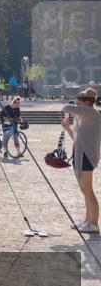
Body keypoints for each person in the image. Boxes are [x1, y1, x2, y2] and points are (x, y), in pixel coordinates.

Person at [62, 87, 100, 233]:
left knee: (88, 190)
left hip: (87, 156)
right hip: (80, 154)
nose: (77, 102)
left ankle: (94, 223)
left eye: (79, 99)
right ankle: (87, 221)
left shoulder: (90, 112)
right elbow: (77, 139)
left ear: (86, 102)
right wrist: (67, 129)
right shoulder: (84, 117)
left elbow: (66, 107)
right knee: (84, 190)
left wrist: (73, 104)